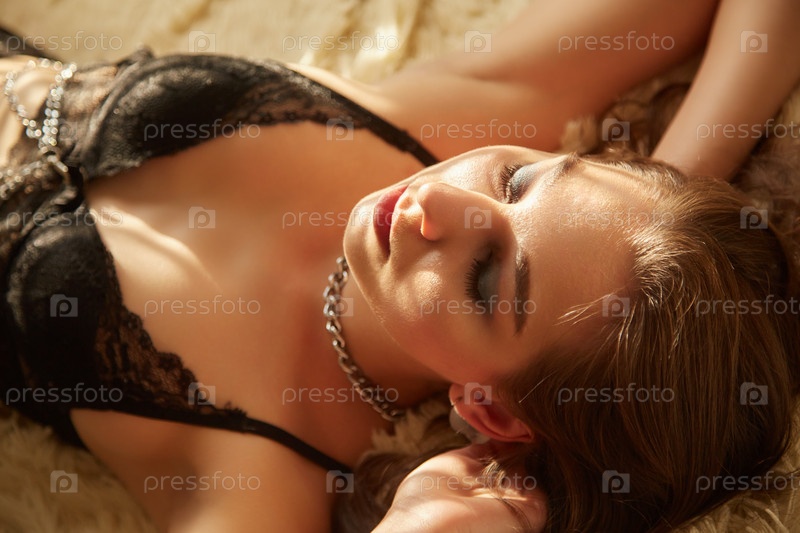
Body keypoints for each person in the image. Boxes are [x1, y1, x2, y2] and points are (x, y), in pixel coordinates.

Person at [0, 0, 798, 531]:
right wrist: (666, 195)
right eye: (519, 182)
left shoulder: (261, 471)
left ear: (491, 411)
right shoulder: (458, 125)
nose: (435, 204)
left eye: (487, 280)